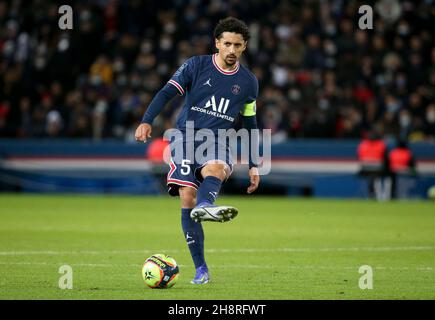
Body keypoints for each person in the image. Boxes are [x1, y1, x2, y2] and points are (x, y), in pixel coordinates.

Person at [134, 17, 260, 284]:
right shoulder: (195, 65)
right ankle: (201, 268)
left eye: (237, 45)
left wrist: (254, 163)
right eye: (227, 43)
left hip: (218, 140)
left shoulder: (249, 83)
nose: (232, 50)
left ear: (244, 46)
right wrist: (147, 120)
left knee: (217, 167)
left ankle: (207, 205)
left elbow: (250, 124)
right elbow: (167, 92)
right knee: (187, 196)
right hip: (184, 138)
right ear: (217, 43)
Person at [357, 131, 388, 200]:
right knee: (379, 177)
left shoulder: (363, 144)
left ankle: (370, 193)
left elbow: (359, 156)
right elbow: (385, 158)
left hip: (365, 167)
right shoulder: (381, 144)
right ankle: (377, 194)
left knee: (372, 179)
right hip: (377, 168)